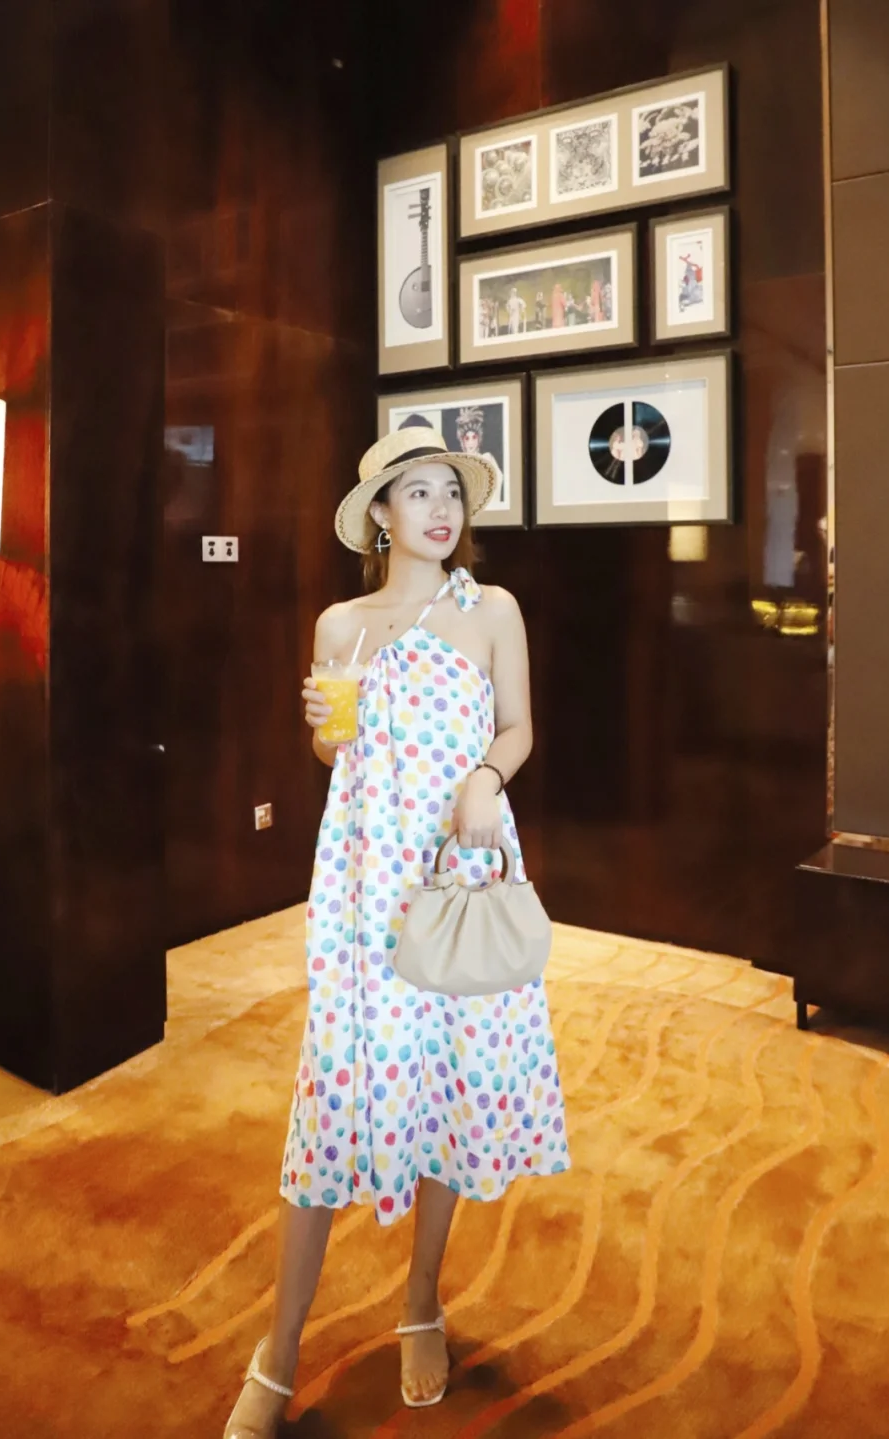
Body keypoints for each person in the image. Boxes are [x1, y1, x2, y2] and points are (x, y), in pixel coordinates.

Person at [223, 428, 570, 1437]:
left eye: (449, 490)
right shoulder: (342, 623)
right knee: (333, 1091)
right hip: (366, 879)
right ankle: (277, 1351)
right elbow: (336, 750)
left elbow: (518, 725)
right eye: (415, 492)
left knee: (448, 1082)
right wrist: (324, 727)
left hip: (457, 866)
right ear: (380, 512)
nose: (439, 508)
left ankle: (421, 1299)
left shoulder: (491, 609)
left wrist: (485, 777)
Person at [455, 404, 506, 508]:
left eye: (474, 437)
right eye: (467, 438)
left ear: (479, 439)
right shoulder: (458, 463)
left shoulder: (486, 458)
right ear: (462, 441)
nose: (471, 442)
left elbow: (498, 479)